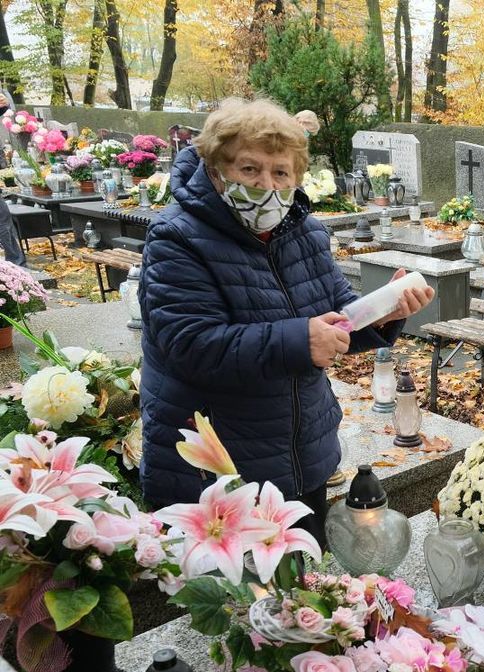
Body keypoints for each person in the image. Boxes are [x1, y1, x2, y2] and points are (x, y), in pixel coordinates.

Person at [138, 97, 433, 546]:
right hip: (217, 468)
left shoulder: (306, 232)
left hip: (302, 455)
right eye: (250, 169)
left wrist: (383, 312)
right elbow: (188, 344)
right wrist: (300, 340)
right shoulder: (178, 236)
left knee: (305, 595)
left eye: (281, 172)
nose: (267, 186)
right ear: (217, 169)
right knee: (240, 604)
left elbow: (336, 314)